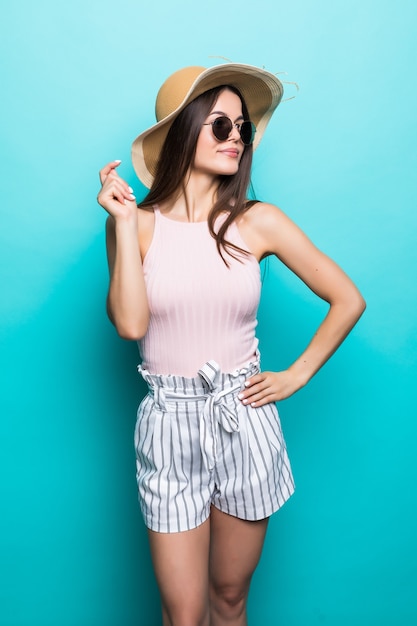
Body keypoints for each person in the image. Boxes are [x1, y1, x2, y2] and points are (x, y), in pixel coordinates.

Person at [97, 62, 365, 626]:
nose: (237, 138)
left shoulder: (258, 222)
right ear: (180, 133)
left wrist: (296, 375)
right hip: (170, 423)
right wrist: (122, 225)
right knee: (184, 613)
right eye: (220, 126)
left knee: (229, 600)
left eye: (241, 128)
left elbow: (348, 298)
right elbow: (129, 325)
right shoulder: (137, 224)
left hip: (243, 417)